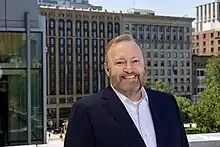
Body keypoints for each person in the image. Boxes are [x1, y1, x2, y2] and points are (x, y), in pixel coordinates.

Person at [64, 34, 189, 147]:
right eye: (120, 62)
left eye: (135, 61)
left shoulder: (167, 103)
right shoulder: (86, 111)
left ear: (144, 65)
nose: (129, 69)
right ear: (107, 69)